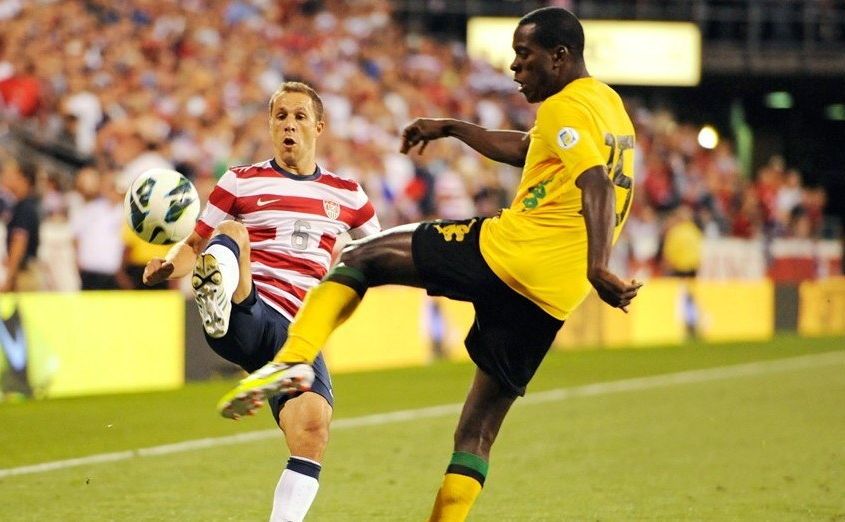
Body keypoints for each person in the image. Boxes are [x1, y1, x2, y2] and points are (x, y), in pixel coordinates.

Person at [219, 8, 643, 522]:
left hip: (512, 252)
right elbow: (530, 149)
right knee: (476, 434)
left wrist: (601, 266)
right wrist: (453, 128)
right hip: (553, 294)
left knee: (361, 256)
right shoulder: (609, 108)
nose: (514, 67)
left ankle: (293, 357)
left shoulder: (562, 106)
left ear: (559, 57)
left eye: (524, 56)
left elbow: (595, 182)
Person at [143, 81, 380, 522]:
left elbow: (380, 250)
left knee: (313, 428)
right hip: (248, 310)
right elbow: (193, 244)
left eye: (299, 116)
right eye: (280, 116)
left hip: (298, 335)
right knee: (231, 232)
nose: (289, 124)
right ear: (270, 125)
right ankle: (217, 302)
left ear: (319, 126)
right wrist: (168, 266)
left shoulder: (347, 194)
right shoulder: (240, 181)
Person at [0, 160, 42, 293]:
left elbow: (19, 242)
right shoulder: (23, 205)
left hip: (23, 274)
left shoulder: (24, 208)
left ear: (23, 179)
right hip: (23, 271)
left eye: (13, 175)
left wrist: (10, 278)